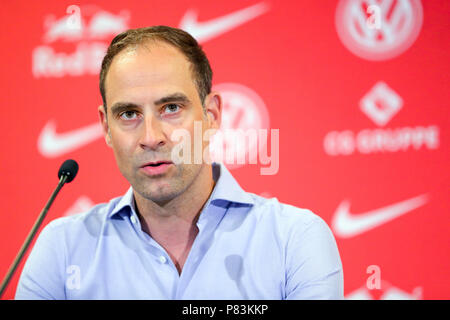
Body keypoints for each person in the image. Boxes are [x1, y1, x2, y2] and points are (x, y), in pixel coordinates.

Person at [15, 26, 343, 299]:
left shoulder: (294, 240)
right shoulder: (62, 248)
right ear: (106, 128)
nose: (151, 136)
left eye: (171, 108)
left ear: (211, 114)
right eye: (128, 114)